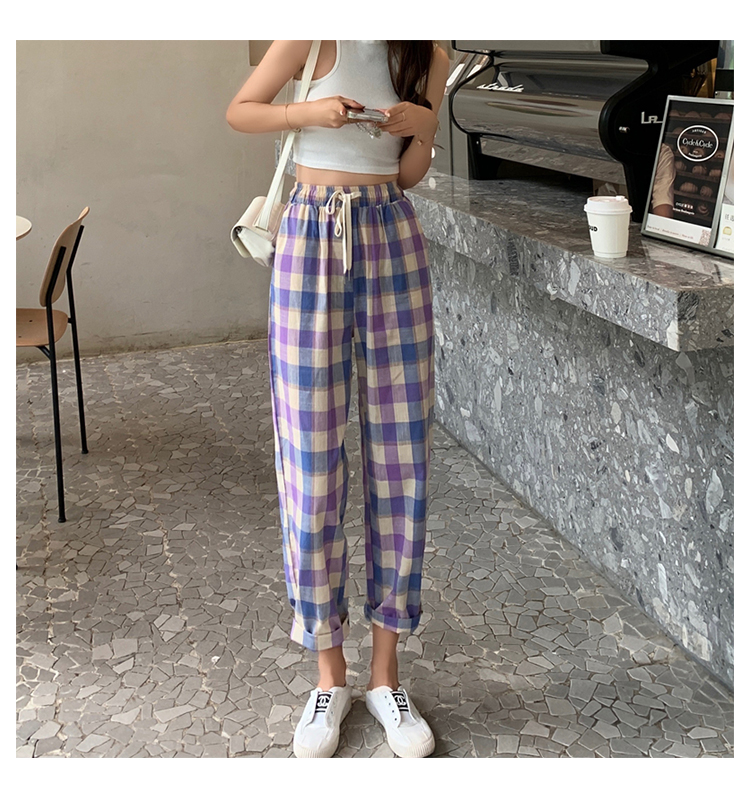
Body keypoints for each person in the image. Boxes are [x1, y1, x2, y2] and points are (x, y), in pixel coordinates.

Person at [226, 40, 450, 758]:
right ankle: (330, 674)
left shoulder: (429, 47)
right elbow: (241, 111)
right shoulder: (316, 30)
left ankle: (385, 676)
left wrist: (424, 126)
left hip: (392, 234)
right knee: (310, 460)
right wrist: (309, 111)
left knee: (401, 460)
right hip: (309, 234)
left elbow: (406, 173)